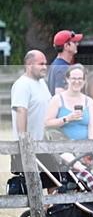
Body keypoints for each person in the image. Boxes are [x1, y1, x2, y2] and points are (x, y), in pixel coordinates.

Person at [43, 64, 93, 192]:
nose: (76, 82)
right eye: (73, 78)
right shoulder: (57, 100)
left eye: (80, 79)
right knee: (76, 181)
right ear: (67, 79)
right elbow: (47, 123)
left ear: (84, 81)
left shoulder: (89, 101)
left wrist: (90, 145)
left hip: (85, 148)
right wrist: (67, 118)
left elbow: (92, 125)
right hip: (65, 150)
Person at [10, 50, 62, 188]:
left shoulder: (42, 84)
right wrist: (24, 140)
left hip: (44, 143)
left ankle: (50, 209)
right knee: (32, 186)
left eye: (45, 63)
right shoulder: (22, 85)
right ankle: (39, 210)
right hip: (29, 144)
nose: (45, 67)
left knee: (55, 181)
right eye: (41, 64)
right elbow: (21, 111)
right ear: (29, 64)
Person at [47, 30, 83, 95]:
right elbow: (60, 96)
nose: (77, 44)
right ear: (66, 46)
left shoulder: (56, 64)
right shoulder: (63, 68)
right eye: (74, 42)